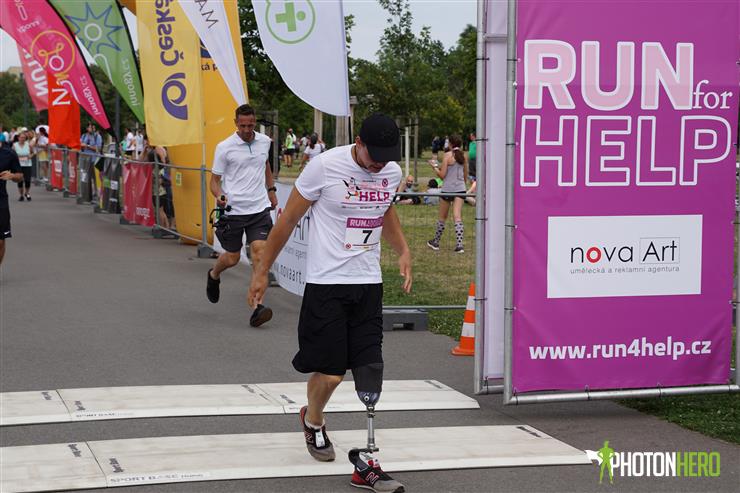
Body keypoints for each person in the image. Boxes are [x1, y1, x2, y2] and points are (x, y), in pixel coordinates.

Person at [248, 113, 411, 493]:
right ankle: (314, 420)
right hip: (327, 284)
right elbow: (288, 220)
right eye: (374, 156)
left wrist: (403, 249)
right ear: (358, 142)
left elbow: (385, 210)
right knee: (332, 374)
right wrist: (262, 270)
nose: (380, 164)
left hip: (368, 284)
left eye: (387, 158)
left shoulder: (391, 172)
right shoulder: (324, 167)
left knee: (370, 371)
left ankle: (368, 461)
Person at [207, 104, 278, 328]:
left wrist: (271, 190)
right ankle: (214, 274)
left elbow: (265, 164)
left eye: (250, 125)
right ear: (236, 123)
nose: (247, 130)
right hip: (234, 211)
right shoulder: (224, 147)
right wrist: (219, 195)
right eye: (243, 125)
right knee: (232, 258)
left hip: (259, 208)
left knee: (260, 254)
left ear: (255, 122)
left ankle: (257, 307)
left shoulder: (264, 142)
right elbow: (214, 181)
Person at [427, 134, 468, 253]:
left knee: (442, 217)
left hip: (447, 189)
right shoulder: (463, 156)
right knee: (457, 216)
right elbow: (465, 174)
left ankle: (436, 242)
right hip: (460, 189)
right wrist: (463, 185)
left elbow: (442, 175)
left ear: (450, 143)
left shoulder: (447, 156)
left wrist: (434, 167)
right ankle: (459, 245)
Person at [0, 143, 23, 265]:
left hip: (1, 201)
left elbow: (20, 176)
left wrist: (12, 176)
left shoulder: (9, 154)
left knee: (1, 241)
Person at [13, 132, 34, 201]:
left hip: (27, 165)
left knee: (27, 181)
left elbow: (33, 153)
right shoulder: (15, 145)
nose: (23, 139)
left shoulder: (28, 145)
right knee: (20, 181)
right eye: (21, 137)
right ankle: (21, 195)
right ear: (18, 138)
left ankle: (27, 193)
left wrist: (30, 156)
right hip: (18, 166)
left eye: (24, 138)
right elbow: (12, 154)